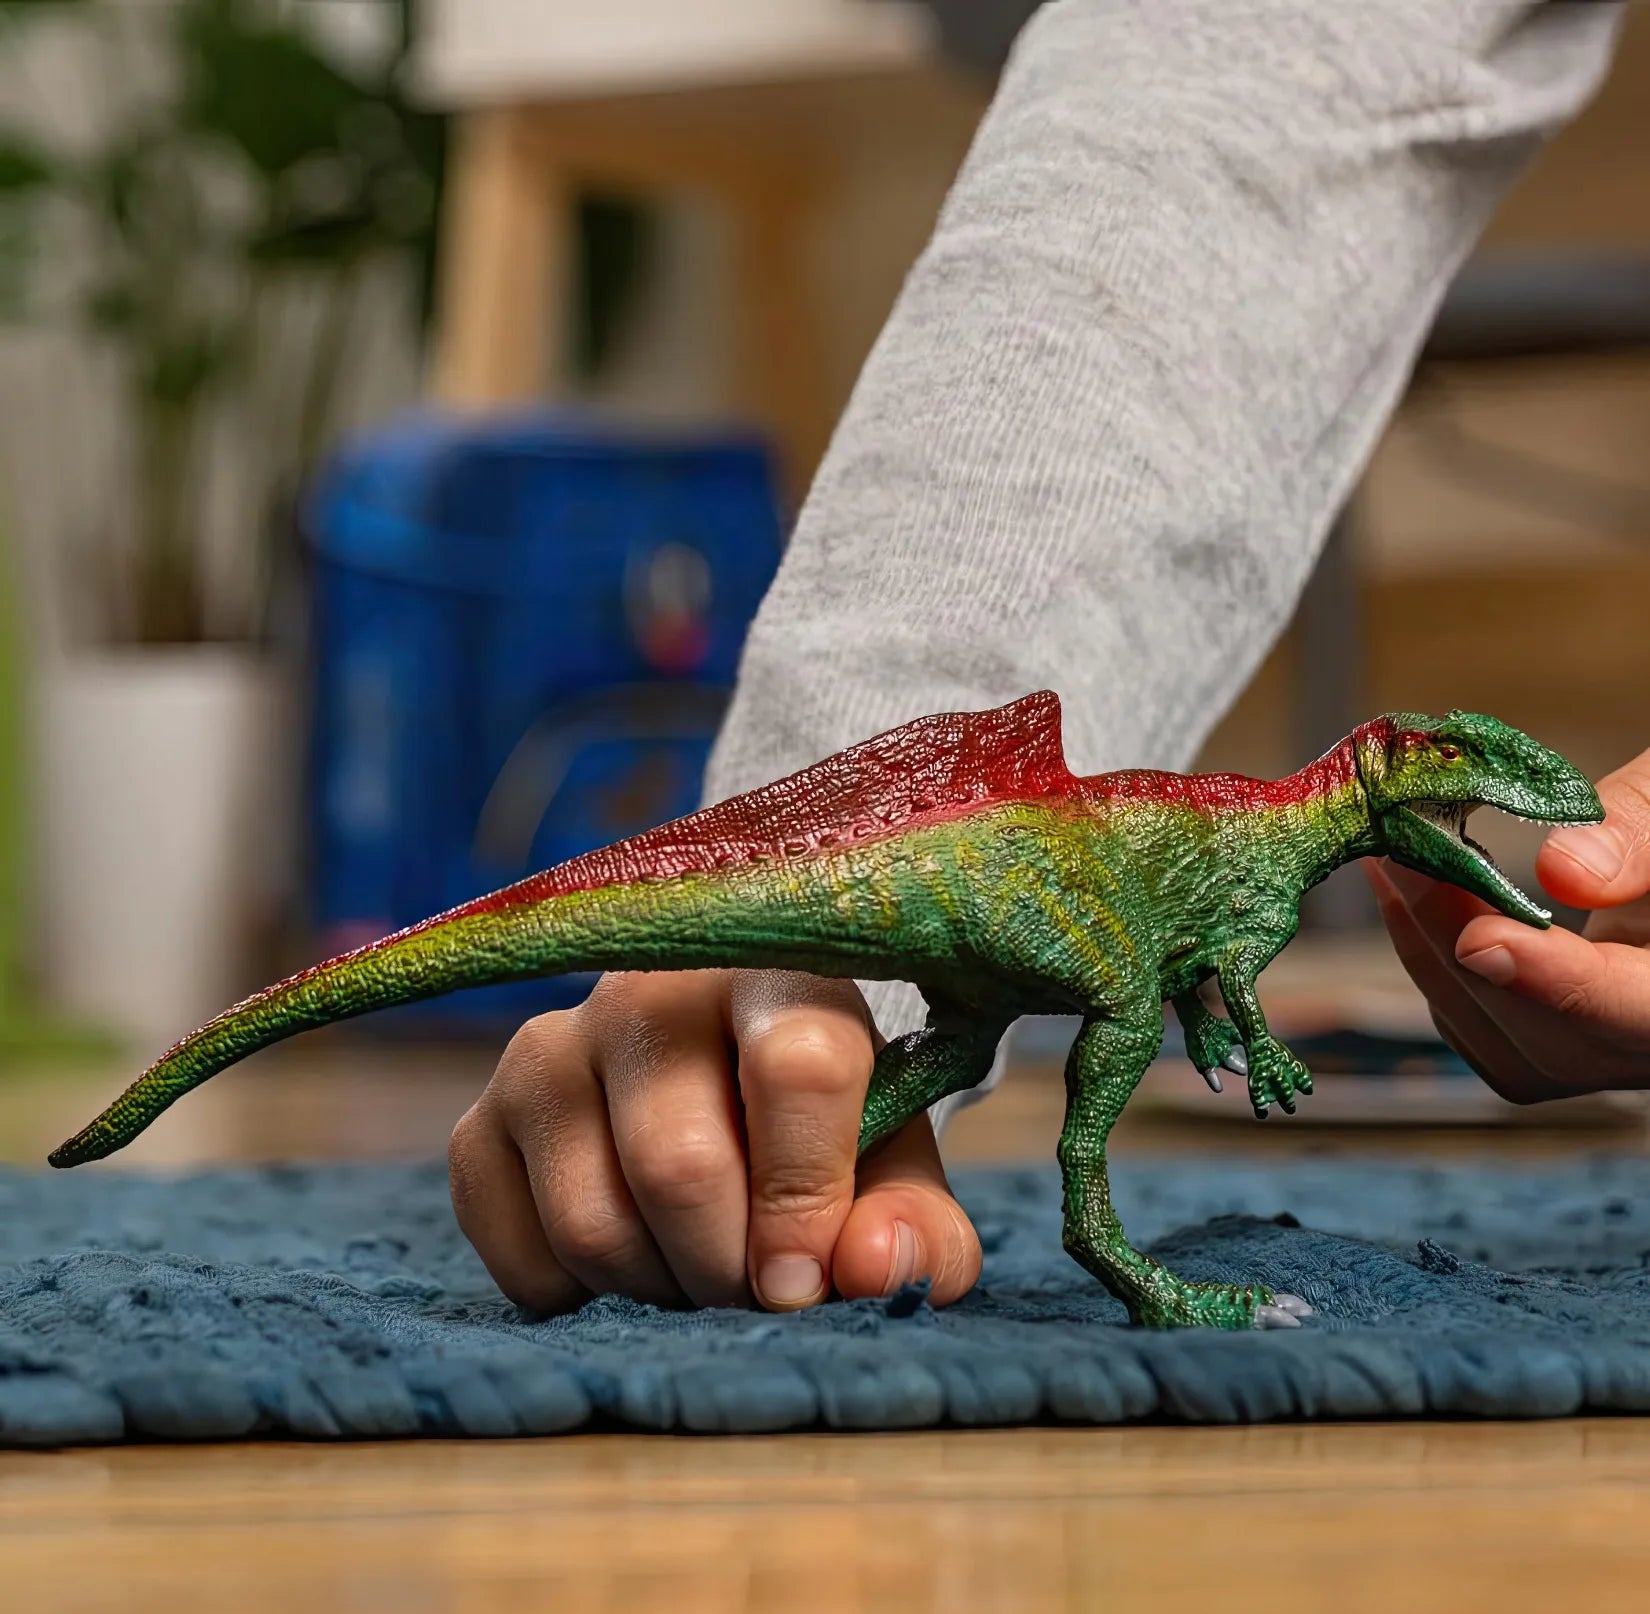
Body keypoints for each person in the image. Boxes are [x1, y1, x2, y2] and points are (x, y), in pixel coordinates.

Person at [446, 1, 1634, 1317]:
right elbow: (1250, 82)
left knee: (1021, 1016)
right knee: (1105, 997)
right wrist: (785, 994)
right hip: (1017, 878)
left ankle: (832, 1117)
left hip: (1038, 890)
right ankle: (1086, 1240)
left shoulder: (1267, 867)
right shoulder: (1269, 860)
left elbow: (1218, 972)